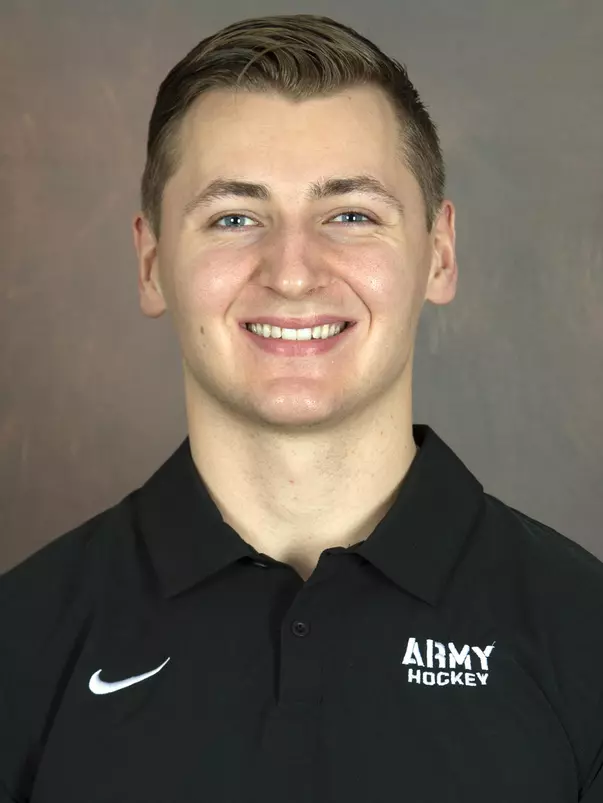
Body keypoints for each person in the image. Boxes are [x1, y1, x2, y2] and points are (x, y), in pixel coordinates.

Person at [1, 12, 602, 803]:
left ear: (439, 252)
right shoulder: (21, 642)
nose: (291, 271)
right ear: (151, 264)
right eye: (234, 217)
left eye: (350, 214)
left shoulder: (583, 635)